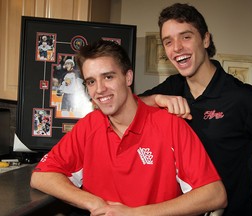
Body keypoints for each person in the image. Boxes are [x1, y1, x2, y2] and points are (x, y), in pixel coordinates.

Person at [30, 39, 227, 216]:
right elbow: (41, 176)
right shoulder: (89, 126)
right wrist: (96, 204)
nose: (99, 89)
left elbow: (215, 195)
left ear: (128, 77)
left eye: (108, 77)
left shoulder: (170, 125)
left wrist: (136, 214)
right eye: (91, 81)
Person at [139, 3, 252, 216]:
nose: (177, 47)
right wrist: (156, 99)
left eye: (186, 36)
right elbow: (127, 107)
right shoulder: (171, 87)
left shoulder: (243, 99)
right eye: (168, 41)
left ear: (206, 39)